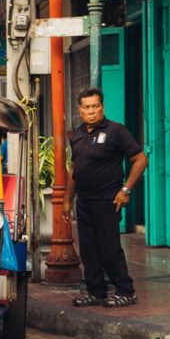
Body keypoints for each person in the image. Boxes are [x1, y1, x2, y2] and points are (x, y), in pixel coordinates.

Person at [61, 88, 148, 308]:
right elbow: (74, 168)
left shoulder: (116, 131)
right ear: (80, 110)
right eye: (87, 107)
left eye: (96, 106)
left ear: (103, 107)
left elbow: (140, 160)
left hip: (108, 199)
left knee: (109, 248)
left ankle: (126, 291)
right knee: (89, 249)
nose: (91, 111)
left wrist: (126, 190)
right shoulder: (78, 134)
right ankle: (96, 292)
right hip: (85, 200)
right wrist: (67, 200)